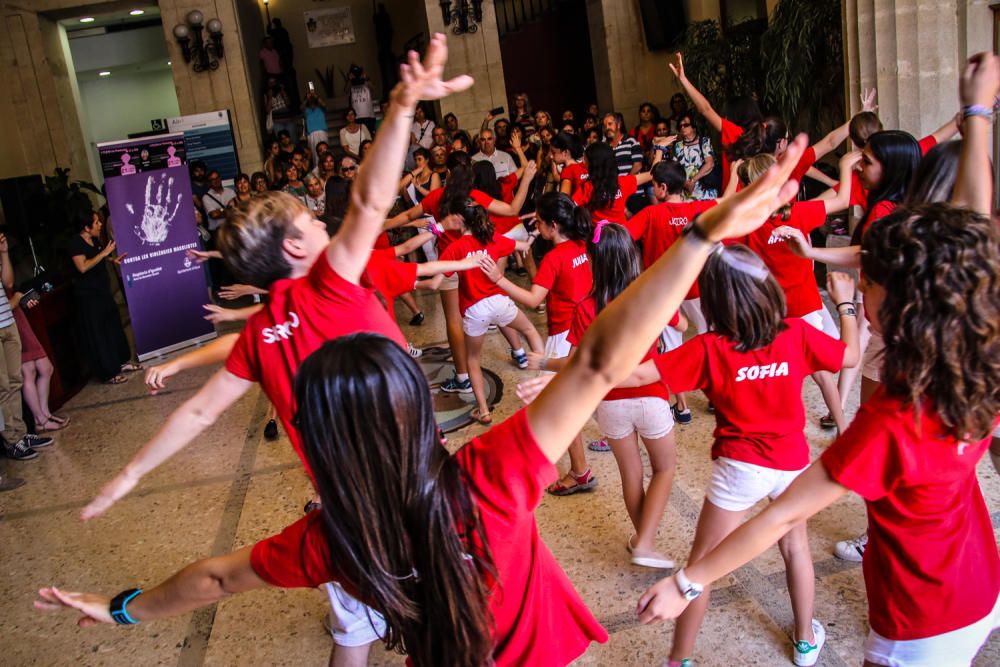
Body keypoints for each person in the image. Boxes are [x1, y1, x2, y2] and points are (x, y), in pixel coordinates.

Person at [40, 116, 817, 667]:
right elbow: (598, 361)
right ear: (418, 409)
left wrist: (120, 607)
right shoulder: (490, 479)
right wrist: (701, 235)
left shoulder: (335, 542)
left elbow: (213, 577)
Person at [77, 34, 476, 667]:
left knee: (354, 633)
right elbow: (372, 200)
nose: (325, 224)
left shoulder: (265, 330)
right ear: (296, 249)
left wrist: (129, 475)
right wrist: (399, 108)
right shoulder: (332, 281)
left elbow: (199, 413)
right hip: (423, 498)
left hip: (347, 524)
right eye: (314, 221)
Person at [634, 59, 1000, 667]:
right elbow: (973, 237)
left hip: (919, 624)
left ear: (894, 300)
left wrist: (687, 582)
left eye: (866, 277)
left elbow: (783, 515)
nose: (858, 279)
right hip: (980, 588)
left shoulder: (891, 419)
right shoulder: (969, 353)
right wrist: (979, 114)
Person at [516, 222, 686, 560]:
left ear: (595, 261)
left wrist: (544, 362)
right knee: (664, 469)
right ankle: (646, 542)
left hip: (610, 405)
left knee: (631, 474)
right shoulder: (651, 295)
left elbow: (578, 364)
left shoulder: (585, 309)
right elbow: (681, 325)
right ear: (632, 257)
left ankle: (643, 540)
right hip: (651, 395)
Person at [385, 153, 536, 395]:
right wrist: (527, 178)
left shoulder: (436, 197)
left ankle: (463, 377)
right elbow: (512, 209)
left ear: (448, 176)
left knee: (454, 320)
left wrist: (384, 224)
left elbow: (406, 216)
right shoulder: (474, 196)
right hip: (478, 260)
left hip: (450, 263)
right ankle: (519, 353)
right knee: (495, 300)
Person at [478, 192, 594, 488]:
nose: (537, 227)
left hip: (563, 335)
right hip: (585, 329)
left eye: (540, 223)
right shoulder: (581, 244)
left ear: (553, 226)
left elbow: (533, 299)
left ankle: (579, 471)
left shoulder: (554, 257)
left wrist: (499, 280)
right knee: (568, 399)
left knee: (559, 405)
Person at [439, 202, 542, 425]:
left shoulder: (456, 247)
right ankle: (544, 379)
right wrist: (534, 232)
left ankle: (484, 411)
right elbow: (523, 246)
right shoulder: (493, 238)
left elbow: (439, 276)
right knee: (530, 330)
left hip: (475, 310)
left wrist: (414, 280)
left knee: (473, 359)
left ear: (461, 221)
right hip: (499, 302)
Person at [69, 212, 141, 386]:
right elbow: (83, 267)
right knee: (99, 333)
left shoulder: (94, 240)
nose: (100, 225)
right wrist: (105, 253)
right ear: (86, 227)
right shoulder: (75, 243)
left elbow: (98, 255)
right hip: (89, 297)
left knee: (113, 326)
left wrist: (112, 258)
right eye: (96, 223)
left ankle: (122, 362)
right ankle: (109, 372)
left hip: (103, 292)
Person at [0, 233, 54, 460]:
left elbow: (8, 283)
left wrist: (3, 252)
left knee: (15, 381)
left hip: (8, 322)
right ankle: (12, 440)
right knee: (3, 386)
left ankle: (21, 433)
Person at [8, 290, 67, 433]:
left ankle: (44, 414)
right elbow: (8, 282)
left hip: (17, 315)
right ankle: (40, 419)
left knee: (46, 368)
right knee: (29, 371)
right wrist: (16, 297)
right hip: (9, 319)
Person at [573, 141, 654, 224]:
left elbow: (569, 207)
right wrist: (659, 149)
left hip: (599, 235)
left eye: (585, 160)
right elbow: (652, 174)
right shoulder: (623, 182)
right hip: (621, 234)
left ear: (593, 164)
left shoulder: (587, 187)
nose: (583, 162)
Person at [670, 112, 718, 200]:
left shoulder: (704, 142)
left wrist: (692, 181)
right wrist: (685, 183)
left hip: (704, 189)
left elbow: (710, 164)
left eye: (686, 125)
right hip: (686, 190)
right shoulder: (678, 146)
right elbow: (674, 167)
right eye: (680, 126)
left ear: (694, 126)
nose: (682, 128)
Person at [552, 131, 587, 197]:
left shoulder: (567, 171)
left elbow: (563, 199)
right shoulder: (584, 166)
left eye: (553, 153)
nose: (551, 156)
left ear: (565, 152)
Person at [346, 64, 375, 135]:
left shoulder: (366, 82)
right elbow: (346, 91)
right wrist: (350, 80)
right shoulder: (350, 85)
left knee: (370, 137)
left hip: (369, 116)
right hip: (357, 117)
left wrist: (366, 78)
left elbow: (373, 88)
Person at [302, 90, 328, 160]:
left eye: (312, 96)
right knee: (314, 154)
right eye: (309, 96)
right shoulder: (306, 110)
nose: (311, 97)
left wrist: (316, 96)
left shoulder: (321, 108)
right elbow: (301, 107)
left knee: (325, 152)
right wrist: (306, 99)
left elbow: (324, 105)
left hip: (322, 132)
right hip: (311, 134)